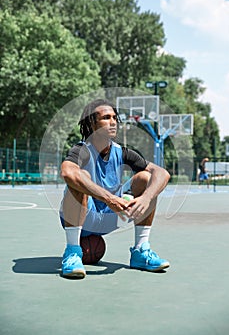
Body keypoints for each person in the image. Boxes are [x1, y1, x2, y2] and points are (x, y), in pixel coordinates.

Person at [59, 99, 170, 279]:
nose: (113, 122)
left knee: (146, 178)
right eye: (106, 118)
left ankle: (141, 250)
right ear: (92, 124)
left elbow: (162, 173)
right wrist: (109, 199)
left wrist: (145, 198)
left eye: (114, 118)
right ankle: (72, 252)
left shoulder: (122, 152)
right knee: (78, 177)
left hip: (112, 216)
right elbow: (67, 173)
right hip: (84, 216)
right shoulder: (82, 150)